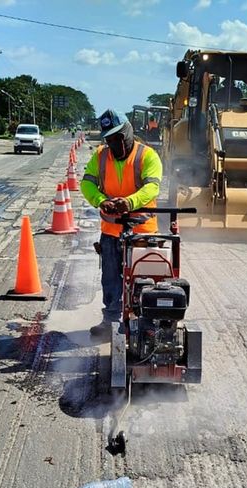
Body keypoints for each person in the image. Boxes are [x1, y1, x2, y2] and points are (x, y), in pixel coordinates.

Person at [80, 108, 163, 338]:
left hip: (142, 232)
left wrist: (129, 202)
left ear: (127, 132)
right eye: (109, 139)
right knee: (110, 277)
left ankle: (144, 322)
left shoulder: (147, 156)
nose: (114, 143)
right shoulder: (100, 156)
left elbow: (152, 187)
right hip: (111, 232)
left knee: (144, 278)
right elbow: (86, 184)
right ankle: (110, 321)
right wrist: (101, 201)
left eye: (118, 137)